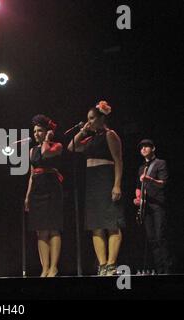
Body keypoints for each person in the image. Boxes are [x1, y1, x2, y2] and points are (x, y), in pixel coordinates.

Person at [68, 101, 124, 276]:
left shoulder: (110, 134)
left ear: (101, 118)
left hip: (106, 179)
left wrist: (117, 184)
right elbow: (72, 147)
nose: (89, 121)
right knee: (95, 225)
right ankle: (102, 264)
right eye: (87, 119)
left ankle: (112, 264)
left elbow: (118, 161)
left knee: (112, 223)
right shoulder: (90, 138)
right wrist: (83, 130)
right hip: (92, 181)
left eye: (92, 118)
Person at [25, 115, 64, 277]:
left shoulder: (57, 146)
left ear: (47, 131)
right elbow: (32, 174)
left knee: (53, 229)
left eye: (39, 130)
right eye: (34, 131)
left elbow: (46, 153)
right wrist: (27, 196)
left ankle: (54, 267)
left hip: (52, 187)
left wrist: (47, 139)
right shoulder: (32, 150)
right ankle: (45, 268)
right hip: (37, 190)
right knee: (40, 230)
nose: (36, 133)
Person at [133, 139, 173, 274]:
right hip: (146, 207)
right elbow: (138, 187)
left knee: (160, 236)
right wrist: (138, 198)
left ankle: (167, 269)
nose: (143, 149)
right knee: (151, 239)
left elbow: (163, 183)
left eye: (146, 146)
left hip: (158, 205)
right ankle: (159, 269)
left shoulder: (160, 163)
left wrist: (149, 179)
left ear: (153, 148)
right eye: (141, 147)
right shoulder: (141, 168)